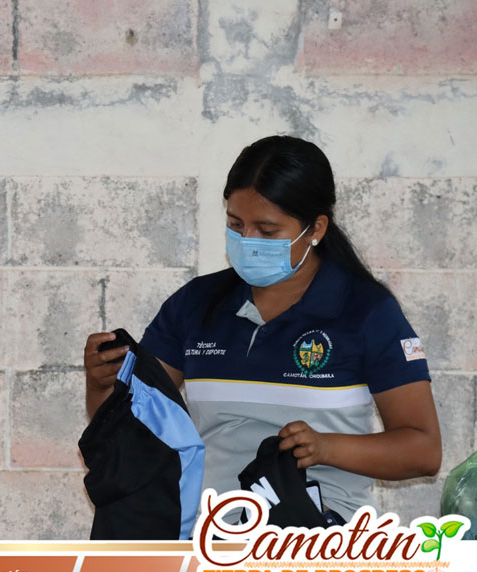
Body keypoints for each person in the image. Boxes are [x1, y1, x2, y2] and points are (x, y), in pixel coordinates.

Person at [83, 135, 441, 523]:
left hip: (321, 540)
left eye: (267, 231)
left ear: (316, 228)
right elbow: (131, 434)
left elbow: (423, 451)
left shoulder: (366, 311)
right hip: (210, 536)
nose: (247, 241)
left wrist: (326, 448)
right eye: (235, 225)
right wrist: (101, 386)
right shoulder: (195, 305)